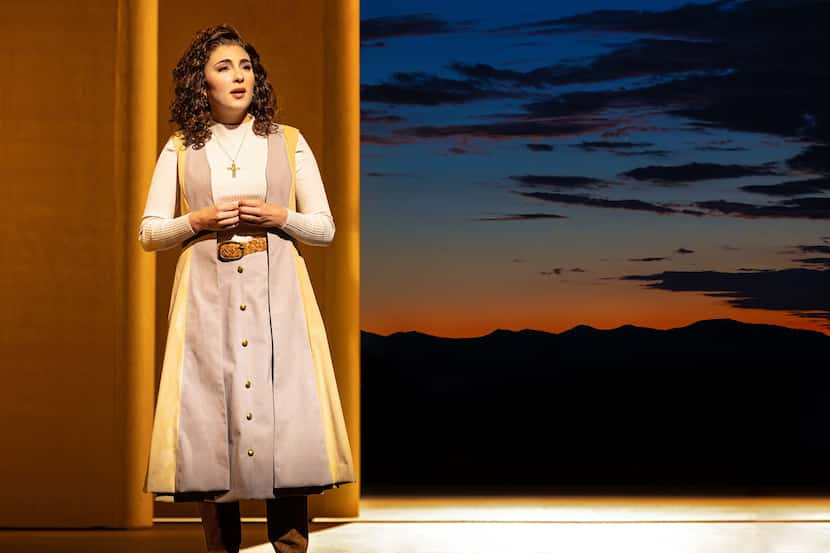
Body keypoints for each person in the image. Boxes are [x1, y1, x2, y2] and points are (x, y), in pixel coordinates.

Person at [138, 24, 355, 553]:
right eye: (223, 68)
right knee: (215, 423)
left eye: (245, 67)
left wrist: (282, 216)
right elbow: (149, 233)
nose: (238, 77)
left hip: (278, 295)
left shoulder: (289, 141)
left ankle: (290, 545)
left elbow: (325, 228)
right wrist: (197, 220)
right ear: (201, 83)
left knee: (283, 421)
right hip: (206, 300)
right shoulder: (181, 146)